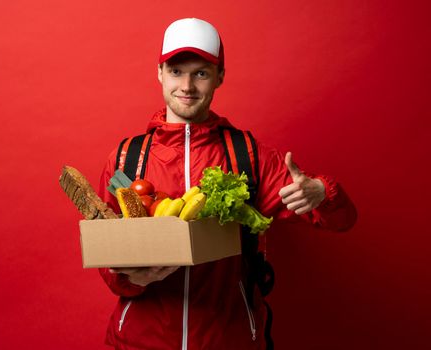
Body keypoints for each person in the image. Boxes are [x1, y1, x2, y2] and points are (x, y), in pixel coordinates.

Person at [96, 18, 357, 350]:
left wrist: (321, 193)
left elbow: (343, 219)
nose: (187, 86)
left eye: (201, 73)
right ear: (160, 72)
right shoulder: (125, 159)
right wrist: (130, 278)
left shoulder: (247, 155)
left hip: (227, 339)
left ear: (219, 76)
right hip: (138, 342)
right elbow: (105, 253)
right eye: (177, 71)